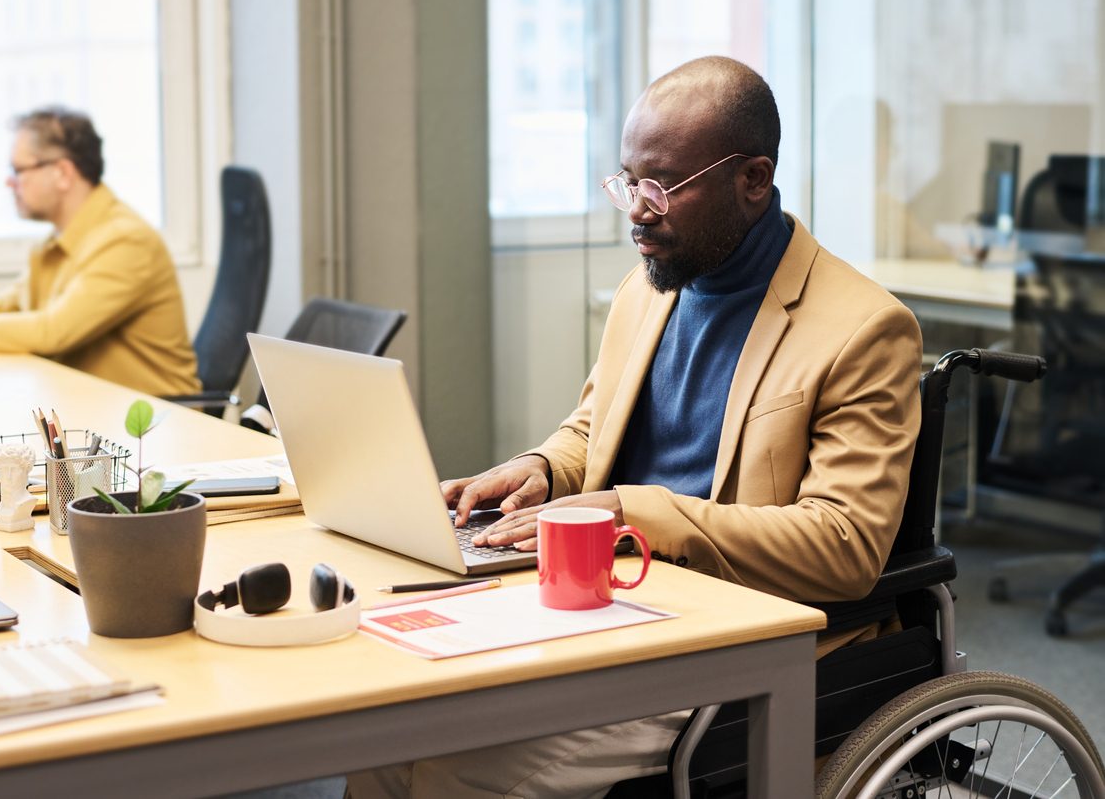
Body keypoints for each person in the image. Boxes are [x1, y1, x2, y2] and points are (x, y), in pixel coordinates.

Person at [346, 56, 923, 798]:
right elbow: (596, 427)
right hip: (613, 606)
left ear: (753, 179)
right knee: (387, 736)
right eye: (627, 179)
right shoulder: (648, 290)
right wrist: (544, 469)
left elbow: (844, 548)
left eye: (663, 185)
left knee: (455, 773)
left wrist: (633, 512)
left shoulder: (864, 329)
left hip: (731, 637)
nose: (636, 209)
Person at [0, 106, 201, 397]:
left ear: (63, 173)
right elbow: (8, 304)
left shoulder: (126, 240)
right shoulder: (58, 241)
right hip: (98, 414)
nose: (9, 181)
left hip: (157, 424)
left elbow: (53, 331)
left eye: (18, 170)